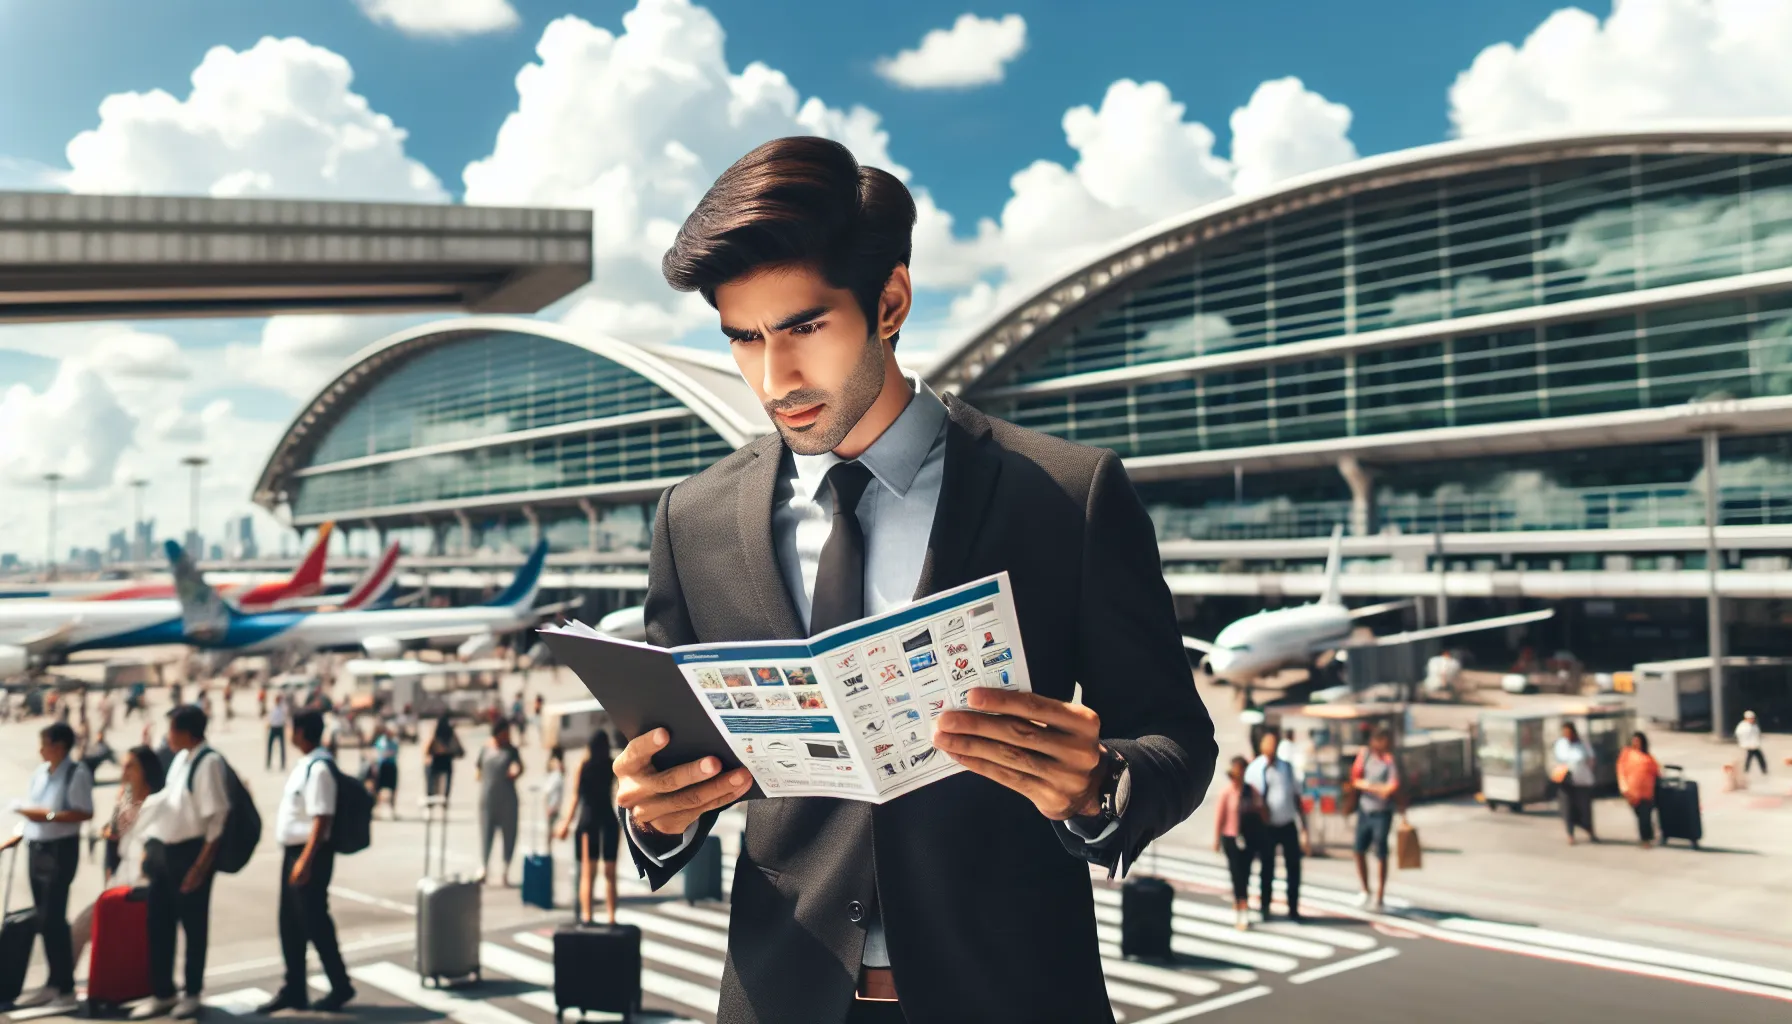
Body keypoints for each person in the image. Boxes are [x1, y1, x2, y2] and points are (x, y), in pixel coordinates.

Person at [611, 137, 1217, 1024]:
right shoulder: (693, 519)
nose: (775, 378)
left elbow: (1175, 738)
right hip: (783, 996)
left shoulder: (1065, 496)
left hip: (1010, 995)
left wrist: (1094, 784)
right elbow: (666, 750)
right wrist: (654, 813)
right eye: (743, 338)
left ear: (890, 302)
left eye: (805, 328)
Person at [255, 711, 354, 1015]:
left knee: (315, 922)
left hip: (310, 855)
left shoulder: (320, 769)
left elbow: (322, 819)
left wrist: (306, 861)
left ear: (300, 732)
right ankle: (294, 987)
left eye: (291, 729)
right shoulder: (306, 765)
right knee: (291, 924)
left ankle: (340, 985)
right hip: (295, 854)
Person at [136, 705, 228, 1020]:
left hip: (192, 853)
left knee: (193, 925)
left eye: (173, 729)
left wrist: (200, 867)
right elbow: (167, 803)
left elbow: (216, 820)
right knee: (158, 923)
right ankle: (163, 991)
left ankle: (192, 992)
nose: (168, 735)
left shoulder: (208, 762)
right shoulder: (180, 759)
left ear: (189, 732)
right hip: (167, 851)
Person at [0, 723, 96, 1011]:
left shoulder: (75, 773)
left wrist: (49, 816)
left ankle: (64, 987)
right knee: (44, 918)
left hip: (60, 850)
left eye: (45, 743)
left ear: (60, 746)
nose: (41, 749)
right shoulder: (41, 773)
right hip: (36, 847)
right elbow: (32, 809)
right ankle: (53, 983)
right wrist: (17, 835)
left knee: (54, 918)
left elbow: (84, 812)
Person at [70, 745, 166, 967]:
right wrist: (121, 805)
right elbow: (114, 834)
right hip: (121, 883)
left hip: (145, 886)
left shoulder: (159, 803)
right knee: (84, 929)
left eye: (130, 767)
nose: (124, 774)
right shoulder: (128, 801)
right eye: (123, 768)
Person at [555, 732, 619, 925]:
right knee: (610, 872)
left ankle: (587, 915)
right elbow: (620, 794)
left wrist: (565, 825)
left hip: (588, 821)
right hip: (608, 818)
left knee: (587, 873)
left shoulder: (583, 766)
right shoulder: (612, 765)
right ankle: (611, 917)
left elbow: (576, 797)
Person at [1244, 731, 1308, 923]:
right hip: (1267, 826)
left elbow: (1297, 797)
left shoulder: (1286, 768)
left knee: (1293, 868)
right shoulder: (1256, 769)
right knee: (1267, 867)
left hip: (1287, 823)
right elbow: (1250, 798)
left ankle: (1293, 907)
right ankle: (1265, 905)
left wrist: (1304, 828)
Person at [1348, 728, 1401, 912]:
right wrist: (1375, 787)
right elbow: (1355, 779)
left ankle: (1380, 895)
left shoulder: (1389, 761)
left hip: (1382, 812)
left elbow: (1392, 787)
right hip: (1365, 810)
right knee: (1358, 849)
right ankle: (1365, 889)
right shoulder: (1365, 756)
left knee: (1381, 853)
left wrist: (1370, 786)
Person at [1210, 756, 1261, 931]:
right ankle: (1241, 905)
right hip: (1231, 837)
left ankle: (1242, 901)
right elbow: (1220, 817)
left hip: (1248, 837)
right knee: (1236, 873)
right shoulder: (1227, 793)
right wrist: (1216, 839)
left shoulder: (1251, 791)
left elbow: (1259, 810)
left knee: (1245, 873)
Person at [475, 719, 523, 886]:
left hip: (507, 797)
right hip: (488, 797)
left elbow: (519, 767)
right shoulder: (486, 748)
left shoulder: (511, 750)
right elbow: (478, 768)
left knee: (509, 833)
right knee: (486, 832)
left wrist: (514, 773)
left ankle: (505, 869)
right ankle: (484, 866)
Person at [1552, 722, 1599, 846]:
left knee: (1584, 807)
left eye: (1569, 733)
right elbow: (1556, 760)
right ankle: (1570, 834)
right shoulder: (1560, 744)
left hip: (1582, 781)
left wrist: (1586, 771)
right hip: (1565, 781)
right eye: (1565, 733)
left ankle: (1590, 830)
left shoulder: (1583, 744)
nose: (1567, 735)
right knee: (1568, 808)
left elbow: (1591, 759)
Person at [1617, 731, 1662, 849]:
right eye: (1634, 741)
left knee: (1644, 816)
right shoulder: (1627, 754)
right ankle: (1649, 834)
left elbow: (1657, 772)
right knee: (1641, 816)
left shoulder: (1648, 757)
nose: (1636, 743)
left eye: (1638, 741)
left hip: (1647, 793)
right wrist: (1624, 788)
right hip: (1632, 792)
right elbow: (1621, 771)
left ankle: (1645, 839)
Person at [424, 715, 463, 799]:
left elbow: (426, 751)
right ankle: (442, 800)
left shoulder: (438, 734)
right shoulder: (450, 734)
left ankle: (433, 799)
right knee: (443, 786)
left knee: (432, 786)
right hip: (444, 760)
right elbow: (460, 751)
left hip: (438, 760)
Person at [371, 726, 400, 820]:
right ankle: (376, 810)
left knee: (393, 789)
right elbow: (377, 753)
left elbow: (393, 753)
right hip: (382, 766)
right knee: (378, 789)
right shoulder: (381, 741)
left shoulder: (394, 742)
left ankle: (392, 810)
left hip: (391, 766)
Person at [542, 747, 566, 845]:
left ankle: (549, 847)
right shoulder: (557, 776)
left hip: (553, 804)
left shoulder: (555, 775)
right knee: (552, 828)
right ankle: (549, 848)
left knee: (552, 828)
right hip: (553, 804)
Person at [1737, 710, 1767, 775]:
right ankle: (1746, 770)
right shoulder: (1743, 726)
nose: (1752, 720)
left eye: (1753, 718)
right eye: (1750, 718)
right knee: (1749, 758)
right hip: (1748, 745)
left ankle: (1763, 769)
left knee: (1759, 757)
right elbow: (1740, 735)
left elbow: (1757, 734)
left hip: (1754, 745)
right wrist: (1744, 744)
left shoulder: (1754, 725)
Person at [266, 690, 289, 771]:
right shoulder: (272, 707)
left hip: (280, 727)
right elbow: (269, 717)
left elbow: (286, 715)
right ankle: (268, 763)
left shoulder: (283, 707)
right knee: (270, 746)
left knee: (282, 747)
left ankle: (283, 764)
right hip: (273, 727)